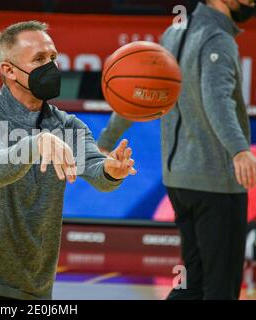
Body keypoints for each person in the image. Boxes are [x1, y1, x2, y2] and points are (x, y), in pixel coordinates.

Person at [0, 21, 137, 300]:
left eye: (53, 57)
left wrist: (112, 170)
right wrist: (37, 143)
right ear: (8, 70)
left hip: (35, 284)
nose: (51, 67)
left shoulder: (67, 125)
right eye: (39, 59)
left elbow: (96, 170)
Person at [98, 0, 256, 300]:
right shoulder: (217, 40)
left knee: (191, 284)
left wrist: (106, 139)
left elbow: (137, 94)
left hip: (179, 182)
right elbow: (217, 102)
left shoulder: (173, 31)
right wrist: (239, 150)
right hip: (215, 183)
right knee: (219, 287)